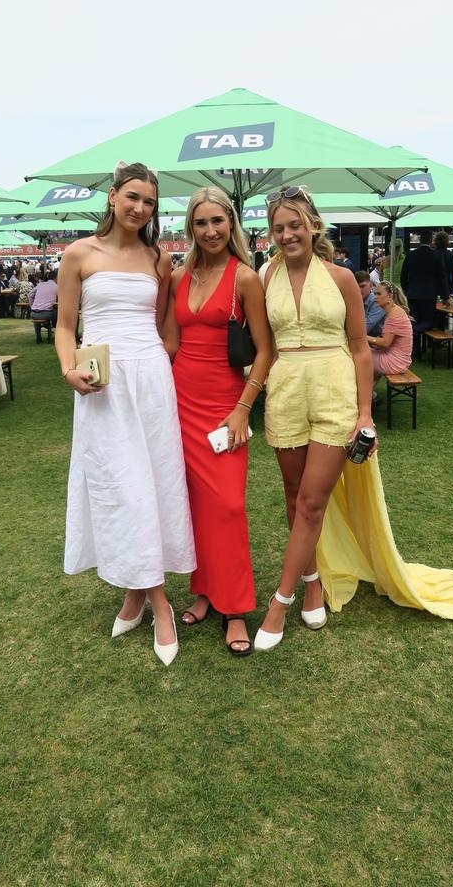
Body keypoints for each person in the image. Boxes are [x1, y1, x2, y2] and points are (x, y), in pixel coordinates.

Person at [254, 187, 453, 652]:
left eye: (295, 225)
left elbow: (358, 348)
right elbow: (263, 345)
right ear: (271, 234)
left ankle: (279, 601)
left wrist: (366, 413)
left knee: (313, 502)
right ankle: (312, 581)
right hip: (287, 390)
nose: (288, 234)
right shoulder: (265, 274)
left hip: (334, 393)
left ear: (314, 226)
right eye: (279, 227)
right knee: (293, 497)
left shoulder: (341, 278)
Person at [56, 161, 195, 667]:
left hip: (151, 378)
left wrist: (164, 364)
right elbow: (65, 326)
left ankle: (143, 596)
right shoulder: (78, 254)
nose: (140, 208)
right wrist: (69, 370)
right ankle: (155, 599)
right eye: (133, 197)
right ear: (113, 196)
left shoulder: (158, 259)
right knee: (122, 486)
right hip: (102, 383)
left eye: (150, 202)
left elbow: (165, 326)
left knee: (154, 483)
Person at [163, 188, 271, 656]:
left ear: (231, 224)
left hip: (226, 405)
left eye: (217, 222)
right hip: (178, 401)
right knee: (194, 505)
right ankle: (205, 590)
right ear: (191, 227)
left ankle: (236, 608)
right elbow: (168, 342)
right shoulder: (177, 276)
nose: (209, 231)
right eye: (200, 223)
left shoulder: (245, 277)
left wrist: (243, 408)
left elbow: (266, 351)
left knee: (227, 505)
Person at [400, 230, 448, 359]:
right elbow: (442, 277)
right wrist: (445, 296)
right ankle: (417, 332)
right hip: (429, 294)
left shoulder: (410, 255)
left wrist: (406, 290)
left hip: (413, 293)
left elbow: (403, 274)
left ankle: (415, 353)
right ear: (431, 240)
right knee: (429, 321)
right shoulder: (437, 255)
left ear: (419, 240)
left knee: (415, 319)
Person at [366, 280, 413, 382]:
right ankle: (368, 394)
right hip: (399, 360)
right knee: (364, 352)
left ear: (390, 297)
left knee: (359, 356)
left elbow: (386, 343)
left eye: (379, 294)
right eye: (374, 293)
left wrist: (363, 337)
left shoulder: (394, 314)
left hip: (395, 362)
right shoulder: (394, 311)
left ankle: (363, 394)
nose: (375, 297)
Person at [29, 272, 59, 343]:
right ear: (56, 277)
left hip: (33, 313)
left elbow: (30, 295)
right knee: (59, 314)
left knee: (37, 318)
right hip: (47, 313)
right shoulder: (56, 287)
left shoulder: (40, 285)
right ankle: (57, 333)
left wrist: (32, 306)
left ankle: (38, 338)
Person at [355, 270, 385, 336]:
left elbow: (364, 329)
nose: (359, 290)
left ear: (371, 285)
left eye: (362, 286)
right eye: (356, 287)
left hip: (377, 341)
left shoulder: (377, 302)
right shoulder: (353, 300)